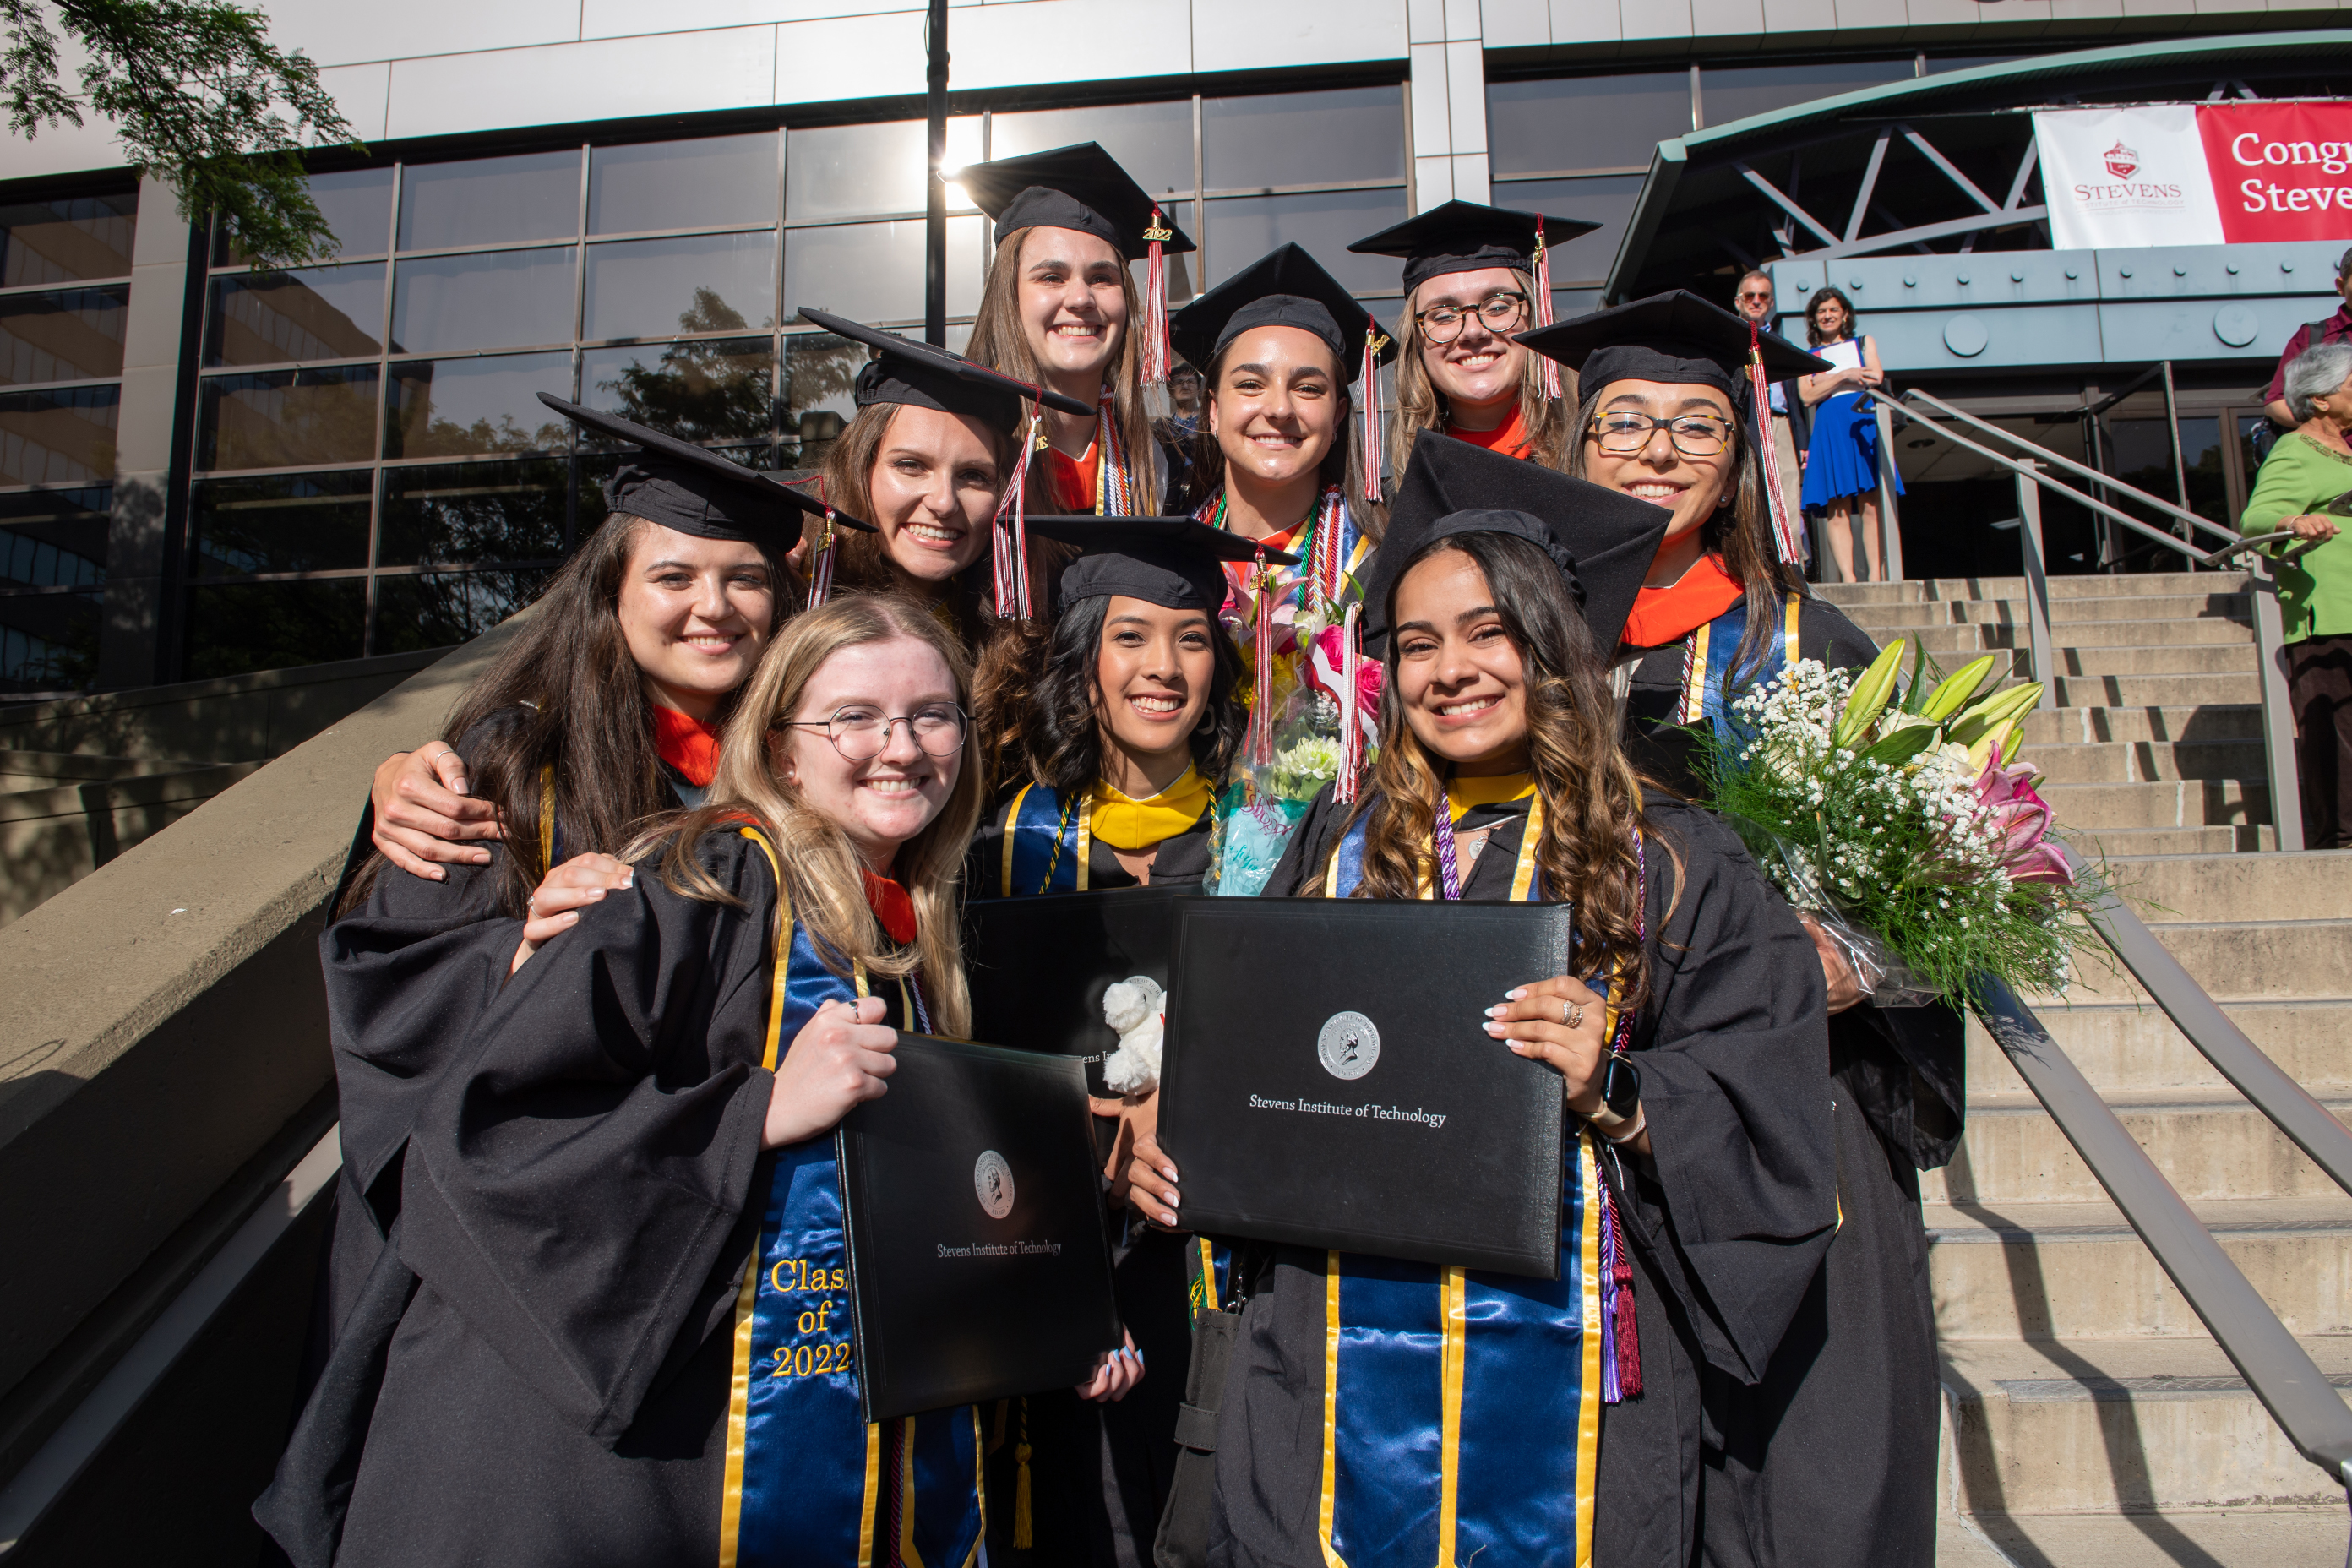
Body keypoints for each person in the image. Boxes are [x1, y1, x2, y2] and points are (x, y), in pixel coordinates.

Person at [259, 592, 1143, 1568]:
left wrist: (1051, 1318)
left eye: (932, 715)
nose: (900, 743)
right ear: (779, 749)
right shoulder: (698, 883)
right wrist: (756, 1112)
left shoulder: (902, 934)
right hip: (588, 1476)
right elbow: (484, 1136)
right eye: (853, 715)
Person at [1124, 431, 1838, 1567]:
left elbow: (1773, 1112)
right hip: (1329, 1354)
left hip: (1580, 1370)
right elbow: (1261, 1048)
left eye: (1488, 632)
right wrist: (1180, 1112)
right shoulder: (1340, 839)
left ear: (1558, 645)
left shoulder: (1676, 860)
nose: (1449, 671)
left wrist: (1623, 1087)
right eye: (1416, 646)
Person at [1523, 288, 1958, 1568]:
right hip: (1582, 1127)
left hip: (1794, 1121)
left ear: (1744, 458)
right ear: (1576, 445)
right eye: (1627, 423)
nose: (1659, 450)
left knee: (1824, 1483)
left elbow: (1945, 895)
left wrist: (1852, 961)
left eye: (1698, 428)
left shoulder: (1812, 645)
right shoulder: (1522, 650)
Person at [315, 402, 844, 1349]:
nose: (714, 607)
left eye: (746, 580)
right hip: (540, 1254)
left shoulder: (808, 777)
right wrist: (524, 961)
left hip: (752, 1249)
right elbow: (396, 992)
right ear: (612, 592)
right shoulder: (515, 765)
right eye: (674, 575)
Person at [964, 516, 1266, 1566]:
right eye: (1132, 635)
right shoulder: (1004, 842)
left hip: (1227, 1250)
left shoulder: (1272, 833)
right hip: (1059, 1255)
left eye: (1192, 638)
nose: (1164, 666)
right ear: (1084, 655)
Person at [1166, 242, 1394, 890]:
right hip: (1180, 871)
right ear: (1211, 409)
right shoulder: (1166, 565)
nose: (1280, 409)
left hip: (1344, 877)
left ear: (1341, 411)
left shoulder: (1383, 569)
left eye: (1309, 387)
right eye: (1250, 383)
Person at [798, 307, 1092, 645]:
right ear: (858, 469)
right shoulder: (791, 600)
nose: (944, 502)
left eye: (974, 475)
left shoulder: (1037, 637)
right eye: (911, 465)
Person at [959, 143, 1197, 514]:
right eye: (1052, 277)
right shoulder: (966, 447)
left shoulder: (1159, 466)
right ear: (1009, 296)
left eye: (1102, 277)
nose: (1081, 298)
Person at [1346, 199, 1597, 470]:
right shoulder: (1397, 496)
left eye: (1498, 307)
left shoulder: (1596, 459)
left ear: (1537, 316)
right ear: (1415, 340)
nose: (1473, 331)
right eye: (1443, 315)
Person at [2242, 340, 2352, 847]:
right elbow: (2255, 519)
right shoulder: (2294, 450)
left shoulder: (2345, 449)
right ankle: (2341, 831)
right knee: (2337, 729)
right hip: (2325, 614)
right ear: (2323, 399)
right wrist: (2295, 520)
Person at [1794, 286, 1898, 585]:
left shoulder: (1864, 342)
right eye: (1821, 311)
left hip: (1861, 420)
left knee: (1871, 503)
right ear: (1813, 319)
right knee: (1836, 506)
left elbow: (1875, 376)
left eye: (1833, 310)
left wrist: (1827, 380)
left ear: (1845, 315)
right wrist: (1844, 374)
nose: (1827, 316)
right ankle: (1850, 580)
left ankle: (1877, 577)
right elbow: (1806, 395)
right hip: (1830, 426)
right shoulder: (1808, 355)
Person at [1733, 268, 1810, 565]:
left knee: (1788, 491)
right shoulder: (1729, 341)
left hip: (1779, 424)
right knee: (1746, 489)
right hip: (1743, 421)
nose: (1756, 301)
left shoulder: (1783, 345)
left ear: (1771, 301)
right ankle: (1750, 561)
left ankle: (1792, 564)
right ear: (1738, 301)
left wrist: (1801, 440)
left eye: (1762, 295)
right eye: (1749, 295)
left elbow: (1794, 400)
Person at [2264, 245, 2352, 429]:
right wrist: (2329, 434)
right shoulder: (2313, 336)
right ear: (2341, 286)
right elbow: (2277, 403)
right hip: (2334, 455)